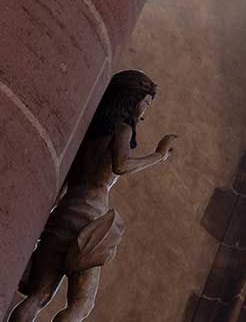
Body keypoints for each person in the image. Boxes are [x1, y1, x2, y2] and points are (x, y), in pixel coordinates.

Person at [10, 72, 177, 322]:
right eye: (146, 102)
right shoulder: (123, 129)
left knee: (38, 296)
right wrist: (158, 156)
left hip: (64, 213)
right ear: (132, 99)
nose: (145, 111)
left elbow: (62, 187)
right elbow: (120, 164)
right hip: (89, 218)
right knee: (82, 303)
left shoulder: (87, 135)